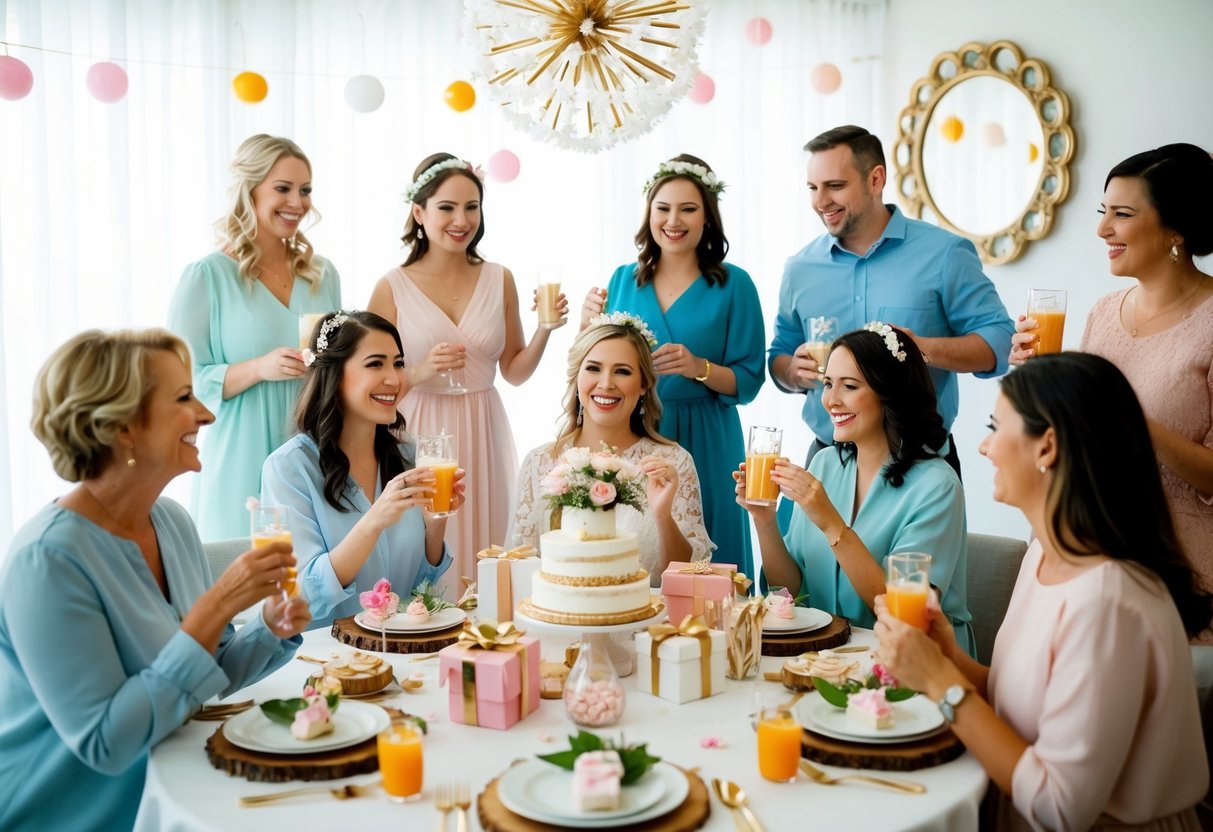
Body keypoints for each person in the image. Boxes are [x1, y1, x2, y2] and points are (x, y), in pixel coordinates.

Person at [875, 352, 1211, 830]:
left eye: (996, 426)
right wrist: (948, 655)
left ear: (1047, 447)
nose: (985, 447)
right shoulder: (1044, 557)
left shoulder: (1107, 601)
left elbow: (1061, 806)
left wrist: (941, 684)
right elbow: (1026, 703)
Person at [0, 329, 309, 832]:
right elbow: (106, 741)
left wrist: (267, 628)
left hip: (169, 791)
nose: (207, 414)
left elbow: (204, 673)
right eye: (185, 398)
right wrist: (218, 604)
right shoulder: (48, 560)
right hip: (71, 816)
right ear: (123, 427)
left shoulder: (170, 521)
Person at [1011, 144, 1213, 611]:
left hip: (1177, 567)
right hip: (1085, 547)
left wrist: (1129, 418)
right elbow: (1079, 431)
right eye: (1103, 211)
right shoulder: (1104, 312)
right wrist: (1046, 377)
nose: (1102, 229)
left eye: (1121, 214)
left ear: (1175, 229)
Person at [769, 124, 1013, 482]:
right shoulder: (799, 268)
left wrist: (923, 349)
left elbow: (1000, 341)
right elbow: (778, 356)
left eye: (835, 186)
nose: (821, 201)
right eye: (813, 188)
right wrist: (792, 371)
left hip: (922, 466)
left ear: (876, 179)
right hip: (828, 464)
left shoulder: (945, 253)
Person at [368, 152, 566, 584]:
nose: (461, 219)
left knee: (486, 551)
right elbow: (367, 384)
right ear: (419, 212)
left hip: (484, 427)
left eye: (471, 207)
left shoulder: (500, 277)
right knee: (421, 544)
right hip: (420, 433)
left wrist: (545, 329)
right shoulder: (392, 286)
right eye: (447, 207)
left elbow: (513, 371)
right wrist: (419, 372)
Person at [580, 154, 764, 577]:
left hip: (709, 435)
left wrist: (700, 367)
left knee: (713, 554)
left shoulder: (735, 284)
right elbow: (598, 362)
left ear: (707, 218)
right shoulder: (624, 279)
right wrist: (586, 325)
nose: (673, 220)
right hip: (639, 431)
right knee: (637, 543)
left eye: (688, 209)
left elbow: (750, 381)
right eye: (663, 208)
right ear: (649, 214)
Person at [739, 323, 973, 653]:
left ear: (889, 393)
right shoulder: (825, 464)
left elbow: (904, 614)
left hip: (914, 661)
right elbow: (788, 592)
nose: (831, 400)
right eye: (827, 384)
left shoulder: (938, 486)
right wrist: (765, 521)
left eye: (849, 386)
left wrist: (831, 523)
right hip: (826, 655)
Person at [169, 134, 342, 541]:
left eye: (304, 190)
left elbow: (339, 362)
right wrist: (259, 368)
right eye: (282, 188)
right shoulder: (207, 276)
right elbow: (181, 383)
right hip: (240, 452)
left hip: (311, 447)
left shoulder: (323, 274)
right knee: (243, 581)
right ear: (250, 190)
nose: (297, 203)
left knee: (312, 582)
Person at [260, 311, 461, 628]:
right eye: (375, 364)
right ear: (335, 375)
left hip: (402, 652)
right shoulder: (288, 469)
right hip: (325, 657)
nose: (394, 379)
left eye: (397, 363)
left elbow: (420, 589)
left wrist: (435, 524)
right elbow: (301, 595)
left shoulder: (411, 456)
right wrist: (375, 519)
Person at [506, 314, 713, 578]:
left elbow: (689, 575)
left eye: (622, 371)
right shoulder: (539, 461)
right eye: (593, 368)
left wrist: (662, 516)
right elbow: (520, 565)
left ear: (643, 385)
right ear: (576, 377)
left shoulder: (674, 462)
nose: (606, 383)